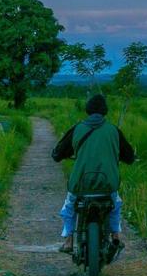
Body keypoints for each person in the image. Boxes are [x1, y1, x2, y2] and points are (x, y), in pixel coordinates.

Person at [51, 92, 136, 253]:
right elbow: (129, 157)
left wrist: (58, 154)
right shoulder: (114, 131)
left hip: (80, 184)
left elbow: (58, 154)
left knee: (69, 206)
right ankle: (116, 236)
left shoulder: (77, 129)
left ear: (87, 110)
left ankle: (69, 241)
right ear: (105, 111)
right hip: (107, 185)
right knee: (115, 204)